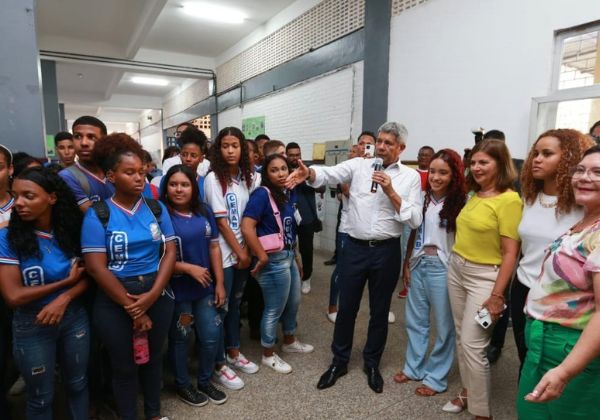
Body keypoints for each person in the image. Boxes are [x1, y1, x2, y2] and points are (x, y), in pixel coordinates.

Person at [287, 121, 422, 393]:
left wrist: (391, 192)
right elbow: (330, 174)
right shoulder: (360, 165)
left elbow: (415, 220)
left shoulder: (410, 177)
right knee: (346, 307)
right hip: (355, 249)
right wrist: (310, 172)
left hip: (386, 251)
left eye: (388, 143)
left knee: (380, 311)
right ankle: (339, 361)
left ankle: (372, 362)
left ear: (401, 148)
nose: (381, 146)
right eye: (379, 141)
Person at [82, 133, 176, 420]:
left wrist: (152, 295)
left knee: (153, 359)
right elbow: (96, 267)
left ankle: (154, 414)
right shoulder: (98, 214)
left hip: (156, 292)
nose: (139, 178)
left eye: (142, 172)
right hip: (114, 298)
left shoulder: (156, 208)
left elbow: (170, 252)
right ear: (111, 176)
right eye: (129, 172)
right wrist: (133, 307)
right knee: (123, 365)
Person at [517, 144, 600, 418]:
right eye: (581, 170)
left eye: (597, 172)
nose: (585, 177)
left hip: (572, 348)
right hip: (542, 340)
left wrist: (565, 371)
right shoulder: (584, 222)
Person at [0, 167, 89, 419]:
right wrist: (63, 285)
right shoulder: (7, 237)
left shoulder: (71, 231)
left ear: (52, 198)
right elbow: (13, 296)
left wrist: (64, 298)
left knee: (78, 384)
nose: (18, 203)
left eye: (29, 196)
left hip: (73, 318)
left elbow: (88, 278)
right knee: (40, 397)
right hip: (32, 324)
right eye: (15, 195)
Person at [443, 139, 522, 420]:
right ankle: (467, 392)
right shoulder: (476, 195)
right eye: (474, 162)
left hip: (485, 276)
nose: (476, 167)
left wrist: (498, 296)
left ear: (500, 165)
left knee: (473, 343)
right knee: (461, 335)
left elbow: (511, 253)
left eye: (483, 162)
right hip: (458, 269)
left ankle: (481, 412)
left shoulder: (509, 200)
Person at [512, 130, 594, 372]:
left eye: (547, 154)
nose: (537, 159)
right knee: (526, 358)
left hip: (563, 297)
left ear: (568, 158)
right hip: (523, 288)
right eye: (535, 153)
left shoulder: (583, 205)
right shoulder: (529, 197)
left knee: (554, 364)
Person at [394, 149, 466, 397]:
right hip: (417, 264)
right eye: (433, 171)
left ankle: (436, 378)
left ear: (454, 175)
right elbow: (413, 229)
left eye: (443, 172)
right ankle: (413, 368)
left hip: (443, 269)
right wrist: (406, 262)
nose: (435, 177)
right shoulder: (422, 198)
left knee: (444, 327)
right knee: (415, 322)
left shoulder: (461, 203)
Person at [162, 164, 228, 406]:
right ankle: (182, 385)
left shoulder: (204, 211)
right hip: (179, 291)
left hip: (205, 287)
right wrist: (186, 268)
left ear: (193, 187)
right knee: (181, 337)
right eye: (173, 184)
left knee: (211, 335)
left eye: (185, 184)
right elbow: (156, 255)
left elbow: (214, 247)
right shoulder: (161, 215)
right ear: (166, 187)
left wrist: (220, 283)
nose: (179, 189)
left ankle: (204, 380)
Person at [242, 154, 314, 374]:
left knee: (293, 303)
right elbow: (247, 227)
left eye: (284, 168)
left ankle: (289, 341)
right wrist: (262, 256)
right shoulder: (261, 195)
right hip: (272, 260)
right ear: (266, 174)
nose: (281, 173)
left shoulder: (287, 193)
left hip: (288, 256)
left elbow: (289, 229)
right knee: (273, 309)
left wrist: (297, 258)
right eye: (274, 170)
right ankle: (268, 354)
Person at [204, 127, 260, 390]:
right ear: (218, 149)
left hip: (243, 254)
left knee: (236, 306)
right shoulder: (213, 178)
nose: (230, 150)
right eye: (225, 145)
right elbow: (222, 222)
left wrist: (247, 251)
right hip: (225, 256)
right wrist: (241, 253)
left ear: (242, 149)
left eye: (235, 145)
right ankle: (218, 364)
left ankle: (234, 352)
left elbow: (252, 218)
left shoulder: (248, 178)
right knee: (221, 308)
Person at [326, 144, 360, 322]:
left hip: (364, 230)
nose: (353, 153)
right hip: (347, 227)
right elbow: (344, 195)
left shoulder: (374, 169)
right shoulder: (345, 172)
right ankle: (332, 306)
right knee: (341, 267)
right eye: (353, 150)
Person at [398, 145, 435, 300]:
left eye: (426, 155)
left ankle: (423, 282)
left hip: (428, 219)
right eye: (420, 154)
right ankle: (407, 282)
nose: (422, 157)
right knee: (408, 248)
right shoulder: (411, 174)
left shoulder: (434, 175)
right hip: (412, 218)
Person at [59, 116, 114, 212]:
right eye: (77, 137)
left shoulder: (114, 170)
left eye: (91, 137)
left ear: (104, 141)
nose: (84, 143)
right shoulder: (67, 176)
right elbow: (95, 216)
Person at [287, 142, 321, 294]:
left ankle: (306, 277)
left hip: (306, 217)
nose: (295, 158)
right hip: (288, 216)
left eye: (297, 155)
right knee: (288, 249)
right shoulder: (282, 169)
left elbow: (322, 187)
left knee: (307, 249)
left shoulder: (308, 170)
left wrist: (307, 176)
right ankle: (290, 276)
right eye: (291, 155)